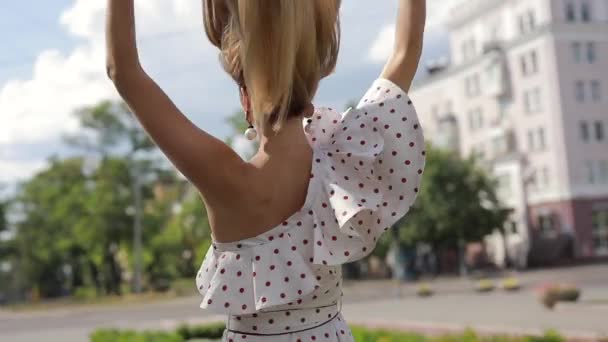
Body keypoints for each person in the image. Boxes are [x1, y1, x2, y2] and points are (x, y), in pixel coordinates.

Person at [106, 0, 426, 340]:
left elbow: (123, 71)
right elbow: (406, 51)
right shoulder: (344, 162)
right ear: (313, 81)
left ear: (245, 99)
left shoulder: (225, 179)